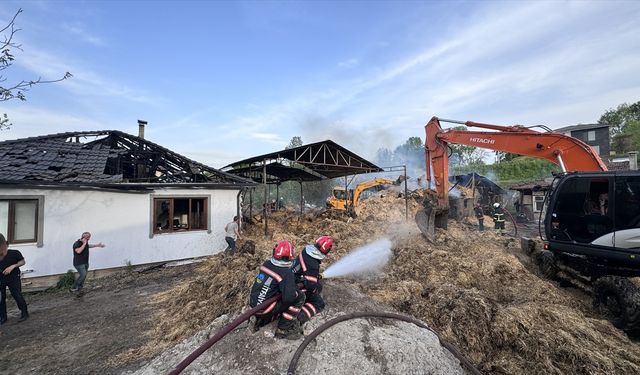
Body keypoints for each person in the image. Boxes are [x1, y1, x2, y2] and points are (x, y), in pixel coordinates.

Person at [249, 240, 305, 339]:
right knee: (300, 297)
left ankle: (258, 320)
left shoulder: (266, 264)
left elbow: (270, 282)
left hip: (254, 305)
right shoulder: (286, 273)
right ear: (289, 257)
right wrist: (294, 290)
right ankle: (283, 328)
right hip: (265, 310)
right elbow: (289, 298)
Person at [291, 235, 333, 326]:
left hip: (293, 277)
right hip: (296, 285)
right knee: (319, 303)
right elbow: (310, 286)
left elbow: (305, 269)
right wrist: (314, 290)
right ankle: (298, 319)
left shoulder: (306, 250)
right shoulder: (313, 263)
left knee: (319, 286)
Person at [0, 233, 29, 323]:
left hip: (13, 277)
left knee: (17, 295)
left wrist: (13, 266)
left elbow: (22, 261)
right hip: (1, 279)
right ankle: (3, 317)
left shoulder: (14, 253)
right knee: (1, 298)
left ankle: (24, 313)